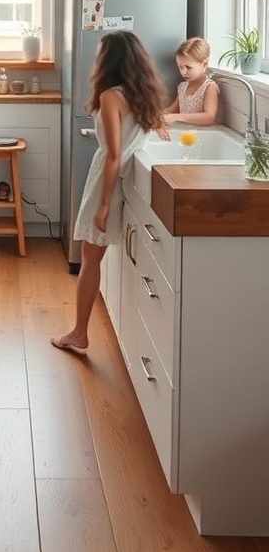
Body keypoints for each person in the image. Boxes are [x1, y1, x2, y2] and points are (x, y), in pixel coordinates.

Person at [51, 31, 166, 356]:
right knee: (94, 256)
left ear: (110, 60)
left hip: (108, 179)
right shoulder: (144, 94)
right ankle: (80, 330)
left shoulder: (110, 96)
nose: (96, 58)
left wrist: (103, 204)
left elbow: (114, 154)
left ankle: (79, 333)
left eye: (100, 53)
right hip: (124, 177)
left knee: (90, 257)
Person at [161, 37, 219, 128]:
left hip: (201, 134)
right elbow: (172, 110)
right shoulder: (182, 87)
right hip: (185, 133)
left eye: (189, 67)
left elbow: (209, 117)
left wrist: (176, 117)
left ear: (204, 64)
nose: (183, 72)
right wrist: (153, 115)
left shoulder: (209, 87)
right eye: (180, 67)